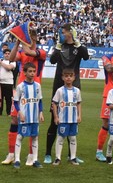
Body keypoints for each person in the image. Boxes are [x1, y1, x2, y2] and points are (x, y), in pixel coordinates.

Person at [44, 23, 89, 164]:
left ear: (70, 32)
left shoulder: (77, 47)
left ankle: (71, 155)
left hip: (74, 88)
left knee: (72, 122)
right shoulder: (59, 46)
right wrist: (57, 45)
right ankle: (48, 154)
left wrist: (77, 41)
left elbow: (86, 56)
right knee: (54, 121)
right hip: (58, 87)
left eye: (63, 32)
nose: (61, 34)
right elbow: (51, 60)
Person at [2, 29, 47, 166]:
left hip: (34, 90)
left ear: (36, 38)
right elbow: (10, 58)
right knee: (15, 121)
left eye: (33, 36)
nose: (31, 38)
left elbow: (29, 52)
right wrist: (17, 43)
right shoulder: (21, 52)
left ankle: (31, 156)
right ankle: (11, 154)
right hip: (21, 90)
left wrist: (24, 39)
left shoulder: (41, 53)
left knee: (33, 124)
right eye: (29, 36)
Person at [13, 62, 44, 168]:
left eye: (34, 71)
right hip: (24, 116)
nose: (32, 73)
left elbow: (40, 101)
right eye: (30, 71)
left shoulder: (38, 85)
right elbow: (16, 102)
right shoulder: (20, 86)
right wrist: (20, 113)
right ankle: (17, 160)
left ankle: (35, 160)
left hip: (34, 117)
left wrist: (41, 113)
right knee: (20, 136)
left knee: (35, 137)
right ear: (24, 72)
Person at [51, 68, 82, 165]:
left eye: (70, 76)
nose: (68, 78)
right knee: (61, 138)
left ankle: (73, 157)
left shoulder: (77, 91)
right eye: (66, 76)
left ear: (74, 77)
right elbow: (54, 103)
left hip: (73, 119)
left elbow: (78, 103)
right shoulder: (60, 90)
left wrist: (79, 115)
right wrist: (56, 117)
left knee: (73, 138)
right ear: (63, 77)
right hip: (63, 119)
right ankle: (57, 158)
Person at [0, 49, 16, 116]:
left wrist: (1, 63)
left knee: (8, 99)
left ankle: (8, 113)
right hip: (1, 83)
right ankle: (0, 113)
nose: (7, 55)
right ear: (3, 54)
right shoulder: (1, 61)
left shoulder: (12, 62)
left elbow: (9, 68)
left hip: (9, 83)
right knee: (0, 99)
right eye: (6, 53)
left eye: (8, 53)